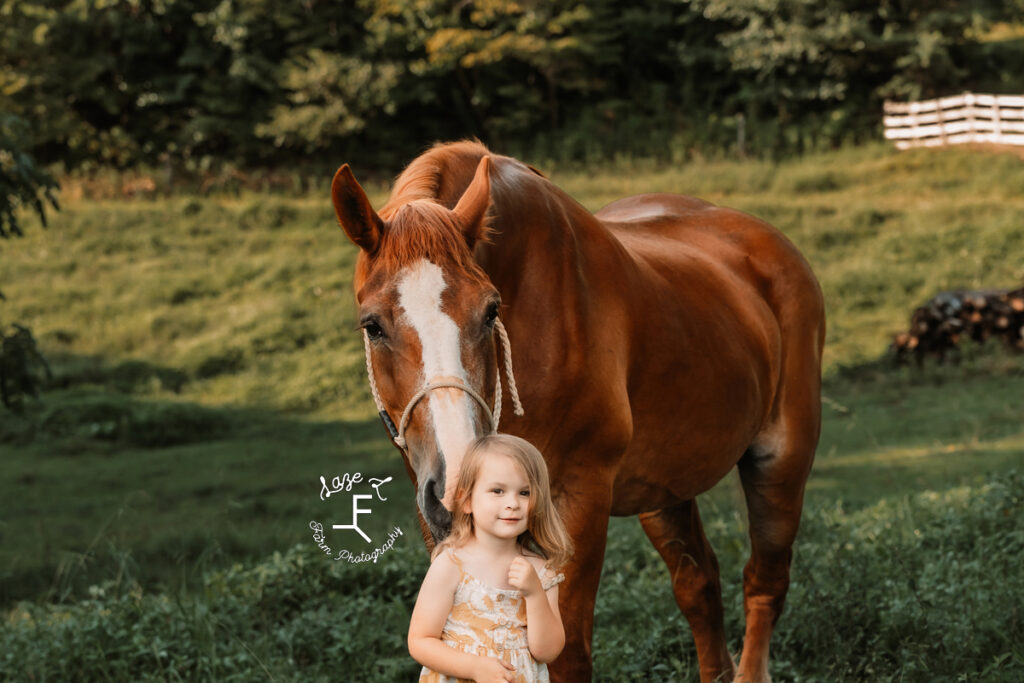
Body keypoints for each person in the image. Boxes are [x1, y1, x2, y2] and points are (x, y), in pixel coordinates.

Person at [409, 433, 574, 683]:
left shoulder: (541, 571)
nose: (512, 503)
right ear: (467, 501)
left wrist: (534, 594)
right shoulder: (452, 565)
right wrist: (474, 667)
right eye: (497, 490)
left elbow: (547, 651)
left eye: (525, 493)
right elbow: (420, 641)